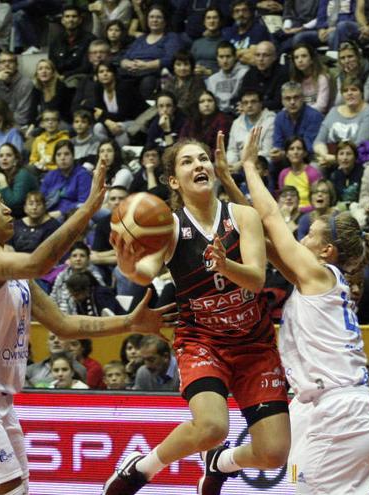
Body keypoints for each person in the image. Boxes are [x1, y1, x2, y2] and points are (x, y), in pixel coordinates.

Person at [0, 160, 172, 495]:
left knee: (19, 489)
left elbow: (65, 325)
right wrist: (87, 211)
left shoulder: (15, 273)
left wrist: (129, 322)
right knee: (7, 490)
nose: (7, 209)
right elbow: (37, 262)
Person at [106, 134, 289, 495]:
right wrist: (127, 262)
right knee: (211, 427)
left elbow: (255, 280)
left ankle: (219, 463)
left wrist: (225, 264)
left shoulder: (243, 216)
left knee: (274, 454)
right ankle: (141, 469)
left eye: (203, 159)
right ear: (173, 181)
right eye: (187, 162)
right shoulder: (170, 227)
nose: (199, 165)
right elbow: (145, 271)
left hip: (255, 345)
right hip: (203, 341)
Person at [216, 124, 369, 494]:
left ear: (327, 251)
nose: (301, 238)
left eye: (309, 234)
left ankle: (220, 464)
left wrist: (248, 165)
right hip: (341, 410)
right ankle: (221, 464)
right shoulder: (314, 279)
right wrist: (228, 184)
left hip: (338, 413)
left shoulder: (320, 274)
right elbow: (258, 232)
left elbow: (273, 217)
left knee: (300, 487)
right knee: (293, 478)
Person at [313, 78, 369, 168]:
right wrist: (325, 156)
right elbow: (318, 141)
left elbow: (360, 146)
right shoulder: (333, 111)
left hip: (357, 162)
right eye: (345, 90)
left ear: (362, 93)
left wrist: (335, 159)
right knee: (315, 167)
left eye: (354, 90)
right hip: (330, 159)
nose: (349, 93)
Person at [271, 81, 323, 164]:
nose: (292, 102)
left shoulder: (314, 116)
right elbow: (277, 143)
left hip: (309, 158)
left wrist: (285, 153)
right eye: (288, 98)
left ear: (302, 98)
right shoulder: (279, 117)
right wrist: (276, 152)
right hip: (287, 157)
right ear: (282, 101)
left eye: (296, 97)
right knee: (272, 164)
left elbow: (308, 147)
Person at [39, 140, 93, 219]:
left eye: (66, 154)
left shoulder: (83, 175)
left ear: (73, 156)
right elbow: (41, 199)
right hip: (48, 214)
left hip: (73, 215)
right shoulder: (50, 175)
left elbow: (84, 203)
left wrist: (61, 212)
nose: (62, 158)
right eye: (58, 155)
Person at [49, 5, 95, 80]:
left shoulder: (90, 39)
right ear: (62, 20)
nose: (71, 19)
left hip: (80, 78)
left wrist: (65, 76)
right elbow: (51, 64)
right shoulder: (55, 41)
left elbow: (86, 67)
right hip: (58, 79)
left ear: (80, 20)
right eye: (67, 16)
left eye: (74, 16)